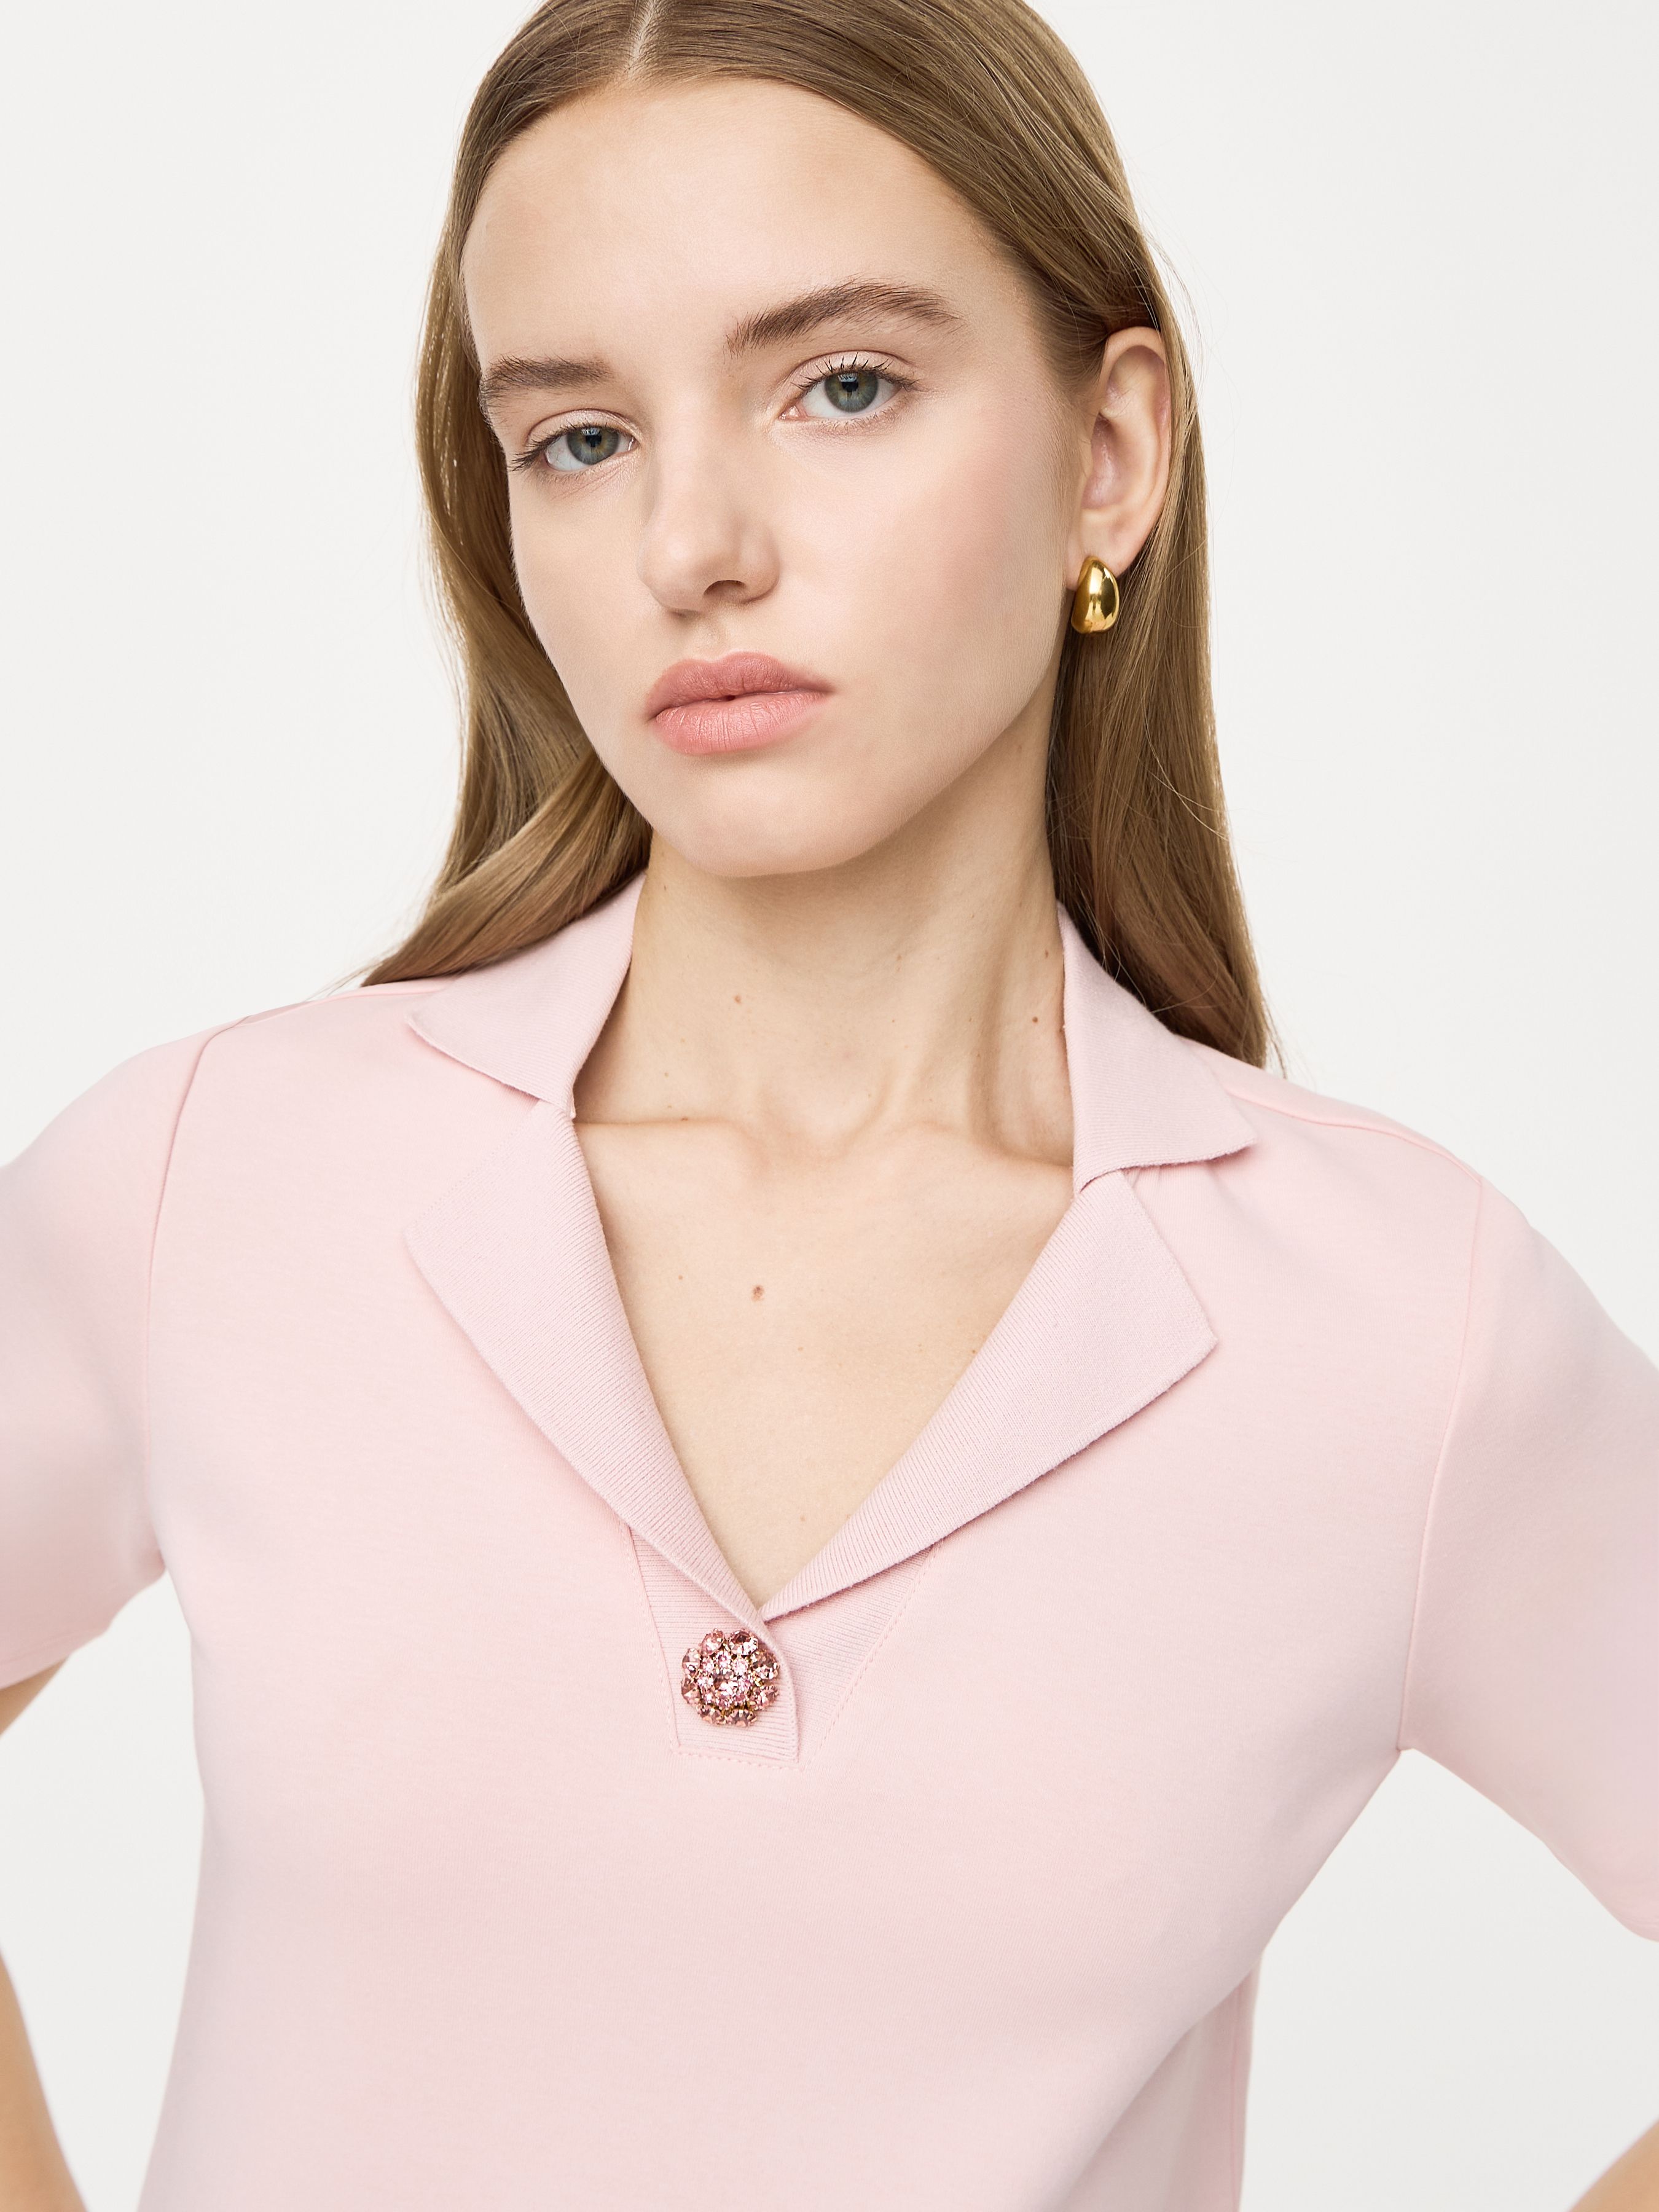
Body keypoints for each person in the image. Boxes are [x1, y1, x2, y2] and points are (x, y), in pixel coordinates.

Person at [2, 2, 1654, 2206]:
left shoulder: (1395, 1328)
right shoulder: (218, 1179)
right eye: (579, 436)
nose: (691, 543)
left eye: (840, 386)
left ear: (1109, 454)